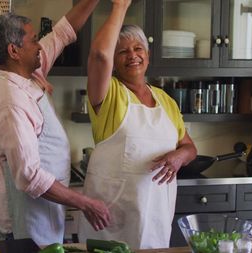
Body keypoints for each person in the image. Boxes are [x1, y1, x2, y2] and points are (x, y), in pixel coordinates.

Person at [0, 0, 111, 246]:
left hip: (45, 209)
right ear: (14, 51)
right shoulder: (11, 101)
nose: (39, 46)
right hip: (27, 221)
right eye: (33, 40)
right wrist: (85, 202)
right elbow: (29, 177)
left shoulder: (24, 71)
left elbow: (64, 32)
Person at [78, 0, 197, 249]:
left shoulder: (166, 101)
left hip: (155, 216)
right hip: (112, 220)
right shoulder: (109, 94)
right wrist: (119, 6)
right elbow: (99, 55)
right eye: (122, 51)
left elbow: (189, 147)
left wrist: (178, 157)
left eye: (138, 48)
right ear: (113, 59)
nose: (132, 55)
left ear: (148, 55)